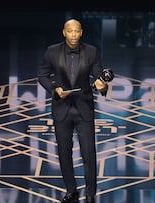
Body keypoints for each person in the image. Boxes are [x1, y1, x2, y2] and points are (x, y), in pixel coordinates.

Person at [37, 18, 107, 203]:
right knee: (64, 152)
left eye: (77, 31)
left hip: (84, 108)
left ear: (81, 32)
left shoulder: (92, 51)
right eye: (70, 31)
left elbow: (98, 74)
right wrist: (54, 89)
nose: (74, 35)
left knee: (88, 153)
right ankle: (71, 190)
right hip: (62, 109)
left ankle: (91, 194)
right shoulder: (52, 51)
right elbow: (42, 75)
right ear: (64, 32)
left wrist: (101, 85)